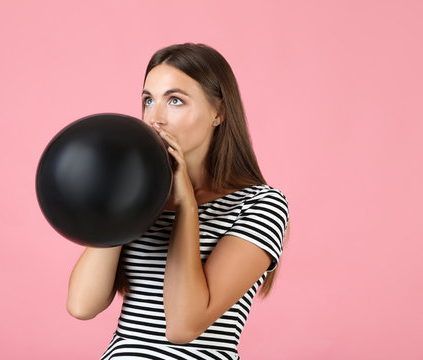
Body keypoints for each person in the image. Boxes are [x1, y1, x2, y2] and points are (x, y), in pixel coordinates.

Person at [66, 43, 290, 360]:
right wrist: (120, 196)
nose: (155, 118)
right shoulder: (138, 197)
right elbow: (81, 305)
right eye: (148, 100)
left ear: (219, 112)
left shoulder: (261, 205)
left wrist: (187, 207)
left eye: (175, 101)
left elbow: (183, 326)